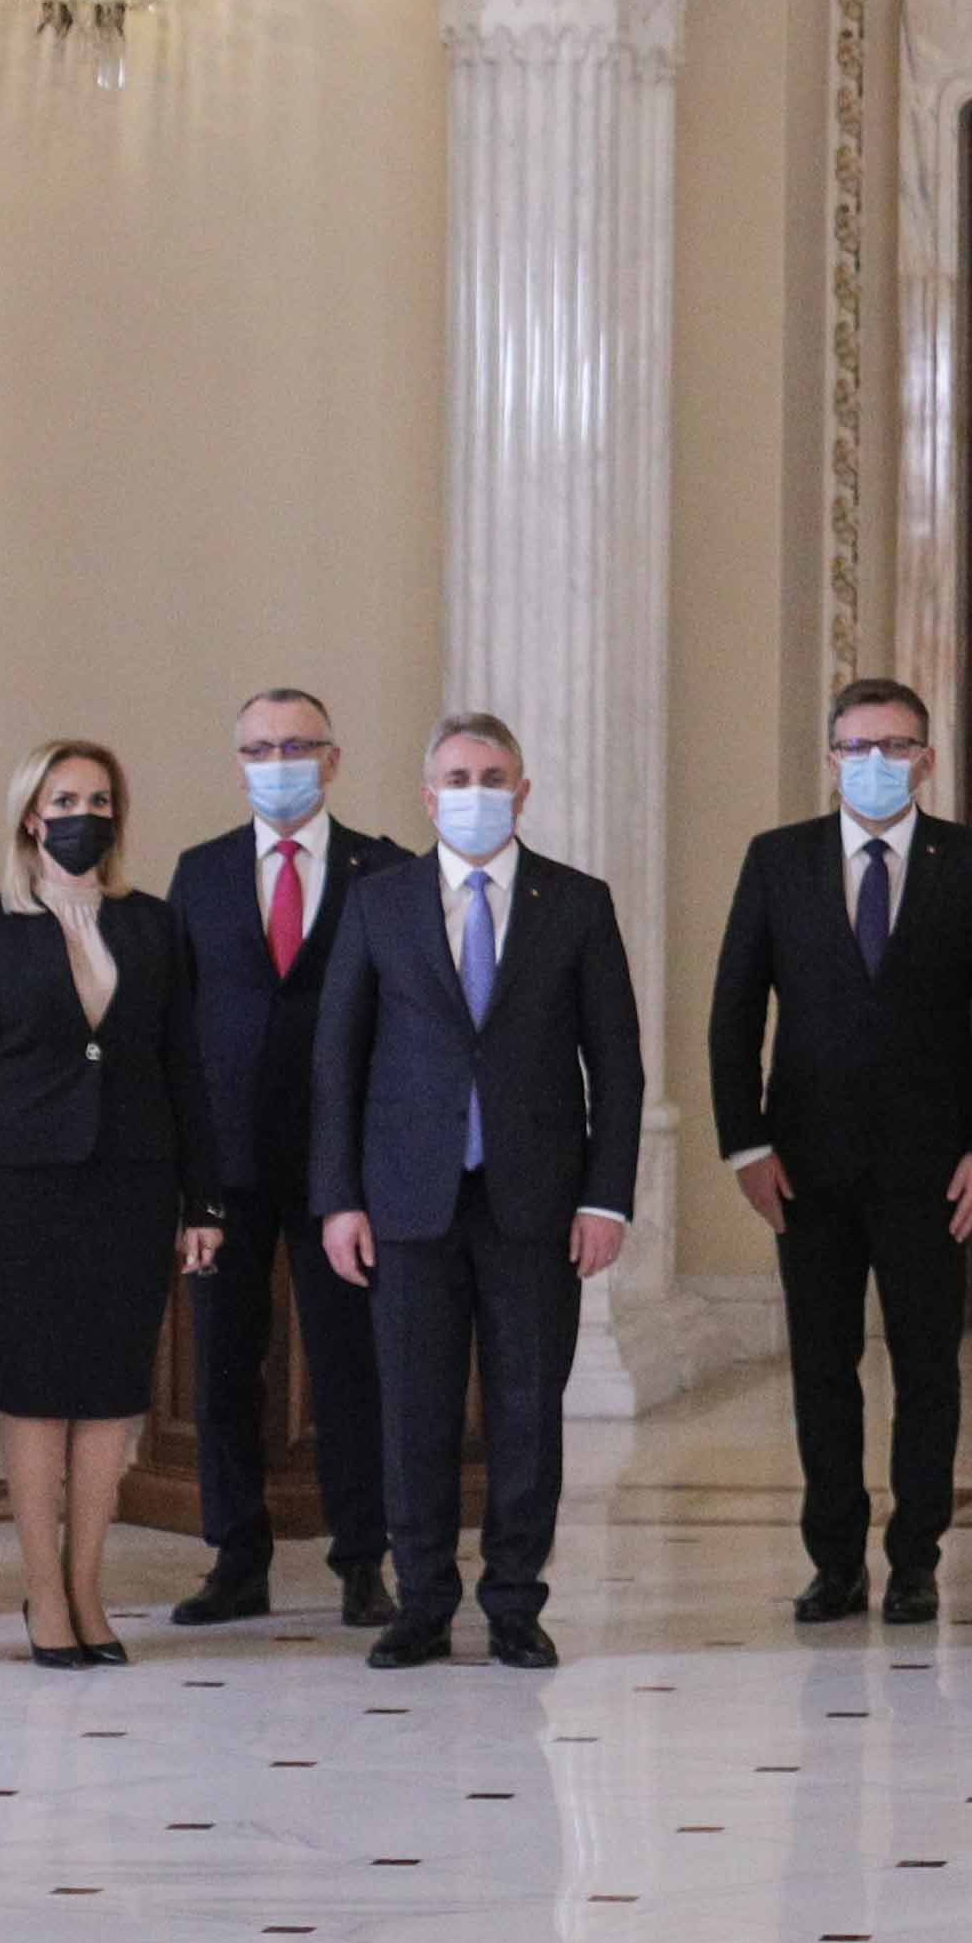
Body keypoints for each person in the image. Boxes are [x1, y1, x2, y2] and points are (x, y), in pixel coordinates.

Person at [310, 714, 641, 1672]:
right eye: (457, 777)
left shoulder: (576, 902)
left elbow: (617, 1065)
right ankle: (421, 1602)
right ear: (428, 796)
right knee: (413, 1411)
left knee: (528, 1409)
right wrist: (339, 1198)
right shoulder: (380, 902)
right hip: (406, 1203)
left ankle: (514, 1603)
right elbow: (337, 1061)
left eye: (493, 776)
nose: (475, 792)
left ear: (523, 792)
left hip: (537, 1204)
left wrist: (607, 1199)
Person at [710, 676, 972, 1629]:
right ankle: (835, 1561)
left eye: (895, 747)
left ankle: (917, 1557)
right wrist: (745, 1144)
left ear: (926, 760)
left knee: (929, 1368)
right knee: (822, 1366)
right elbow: (735, 1012)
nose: (876, 763)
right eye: (858, 747)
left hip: (936, 1169)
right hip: (805, 1165)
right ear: (832, 758)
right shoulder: (778, 860)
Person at [0, 742, 219, 1665]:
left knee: (111, 1392)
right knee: (38, 1391)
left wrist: (204, 1202)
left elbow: (185, 1065)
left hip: (134, 1181)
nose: (82, 816)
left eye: (98, 800)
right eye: (63, 800)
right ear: (30, 816)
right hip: (24, 1187)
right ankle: (42, 1591)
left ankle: (88, 1586)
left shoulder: (153, 924)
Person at [163, 686, 403, 1630]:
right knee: (224, 1367)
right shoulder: (201, 871)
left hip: (342, 1168)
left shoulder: (385, 871)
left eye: (298, 746)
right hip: (225, 1167)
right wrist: (186, 1177)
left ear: (333, 760)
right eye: (260, 749)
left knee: (351, 1368)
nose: (279, 763)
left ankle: (362, 1559)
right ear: (239, 766)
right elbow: (177, 1023)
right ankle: (236, 1557)